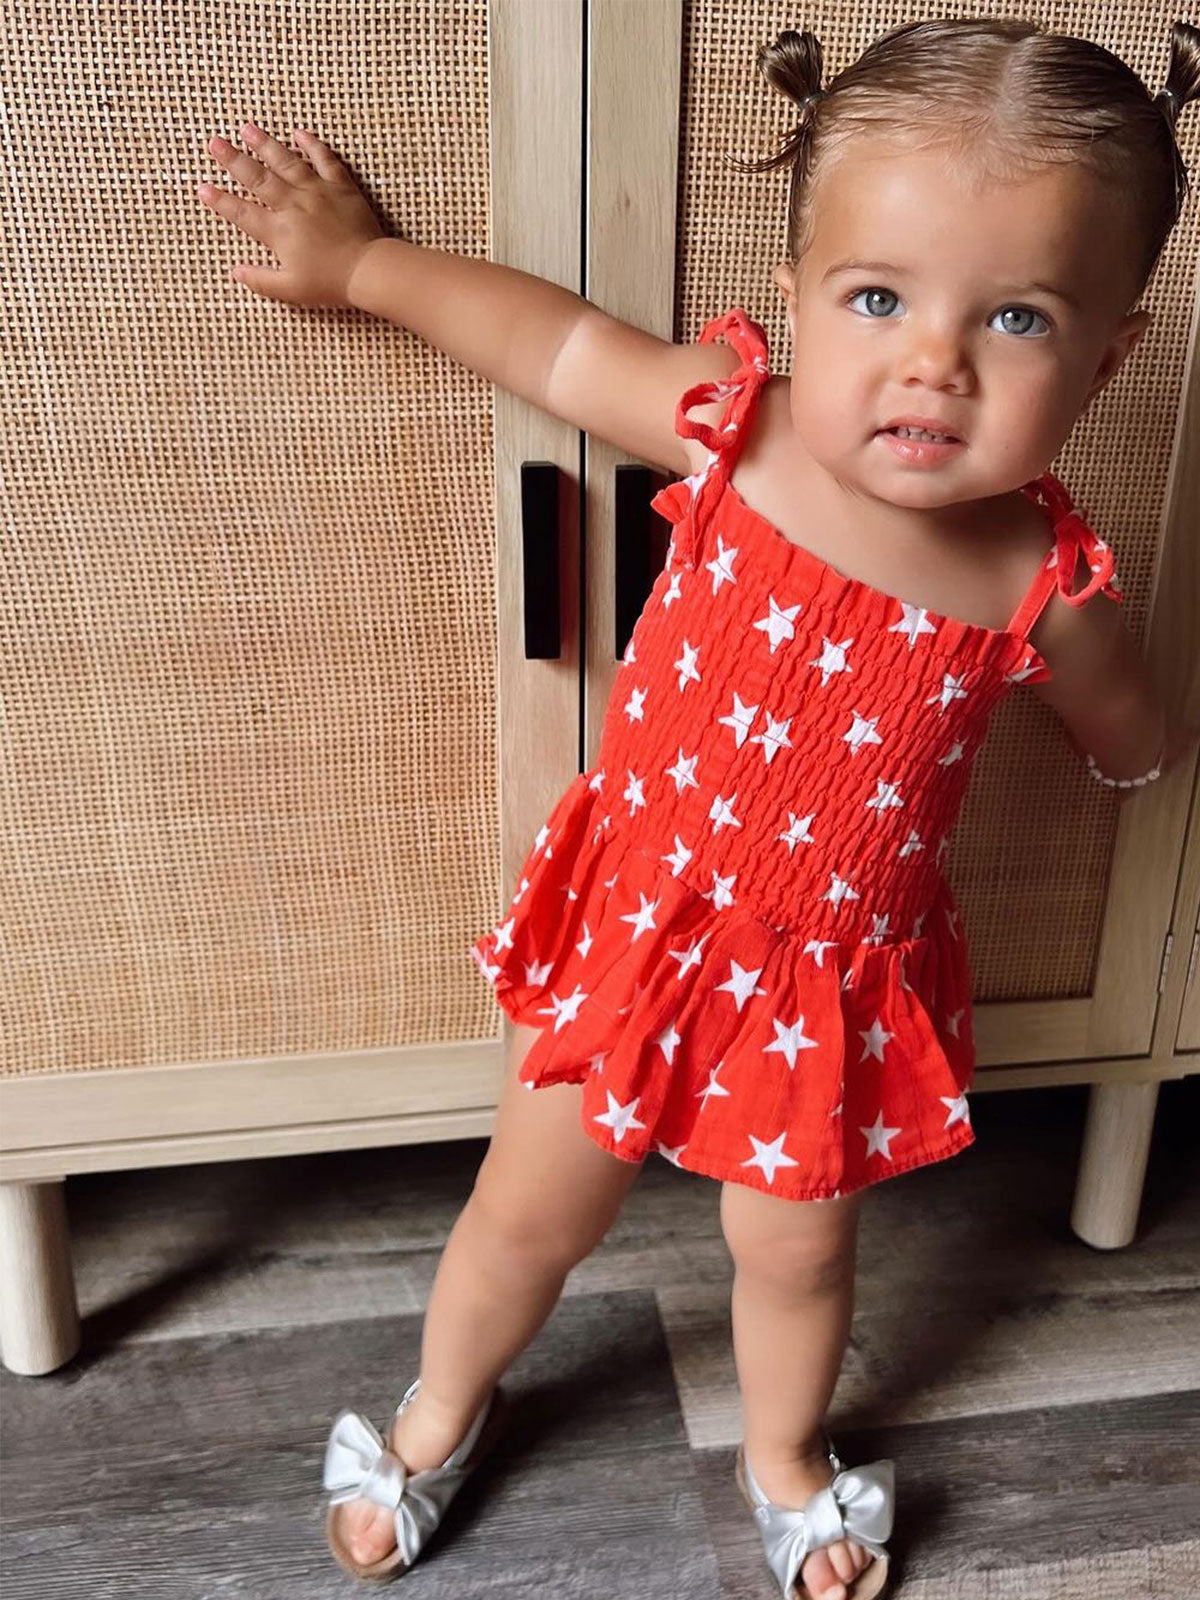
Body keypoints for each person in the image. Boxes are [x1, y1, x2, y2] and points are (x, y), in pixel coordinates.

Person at [197, 14, 1199, 1598]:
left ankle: (786, 1459)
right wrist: (364, 268)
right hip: (642, 931)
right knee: (527, 1210)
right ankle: (435, 1413)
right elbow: (555, 346)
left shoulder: (1044, 581)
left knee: (795, 1251)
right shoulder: (741, 427)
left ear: (1108, 356)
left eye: (1014, 318)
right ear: (797, 295)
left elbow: (1130, 716)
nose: (932, 362)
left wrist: (1142, 756)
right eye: (879, 298)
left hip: (823, 984)